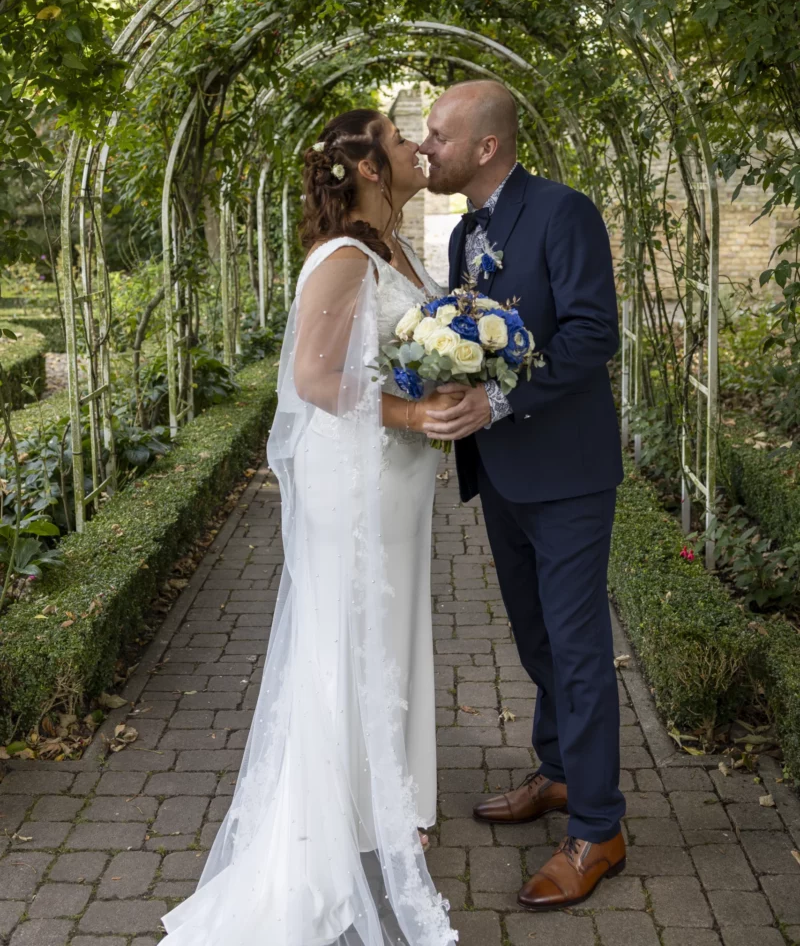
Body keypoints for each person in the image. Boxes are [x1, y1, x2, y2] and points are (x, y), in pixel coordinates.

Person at [160, 110, 458, 946]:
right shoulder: (341, 258)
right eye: (400, 142)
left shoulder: (394, 250)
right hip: (357, 477)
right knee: (346, 633)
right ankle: (332, 816)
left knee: (388, 631)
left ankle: (383, 800)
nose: (414, 150)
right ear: (365, 167)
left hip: (393, 476)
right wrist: (410, 413)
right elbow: (315, 377)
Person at [419, 79, 627, 910]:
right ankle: (558, 775)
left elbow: (591, 332)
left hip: (569, 473)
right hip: (502, 470)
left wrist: (499, 400)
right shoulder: (469, 227)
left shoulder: (562, 212)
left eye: (438, 133)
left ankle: (600, 828)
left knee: (577, 653)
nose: (426, 145)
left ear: (486, 146)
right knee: (537, 639)